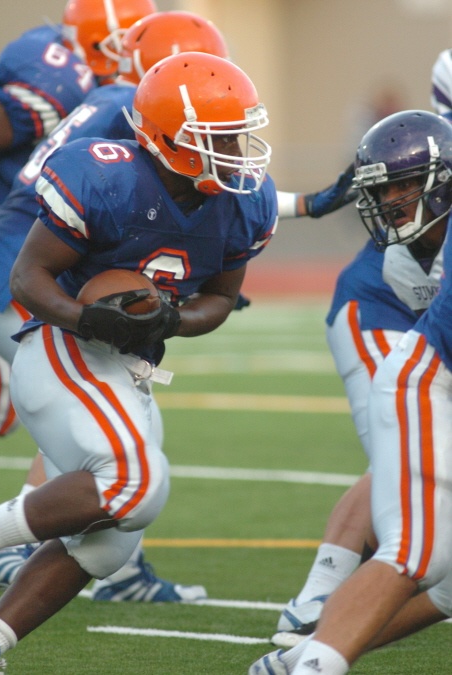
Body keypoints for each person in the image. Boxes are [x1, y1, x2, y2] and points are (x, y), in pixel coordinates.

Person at [0, 51, 277, 673]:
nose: (237, 149)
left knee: (106, 548)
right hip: (62, 350)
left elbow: (221, 299)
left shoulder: (245, 201)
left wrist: (173, 320)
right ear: (167, 140)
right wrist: (88, 318)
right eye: (219, 137)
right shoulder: (109, 175)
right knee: (137, 483)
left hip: (129, 368)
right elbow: (27, 277)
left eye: (239, 133)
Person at [260, 47, 452, 651]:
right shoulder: (429, 162)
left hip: (419, 326)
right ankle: (318, 598)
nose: (391, 203)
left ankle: (326, 636)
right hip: (378, 316)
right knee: (402, 462)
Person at [0, 0, 157, 492]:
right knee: (7, 396)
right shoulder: (59, 78)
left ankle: (29, 533)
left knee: (8, 395)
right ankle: (29, 535)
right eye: (130, 43)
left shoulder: (68, 64)